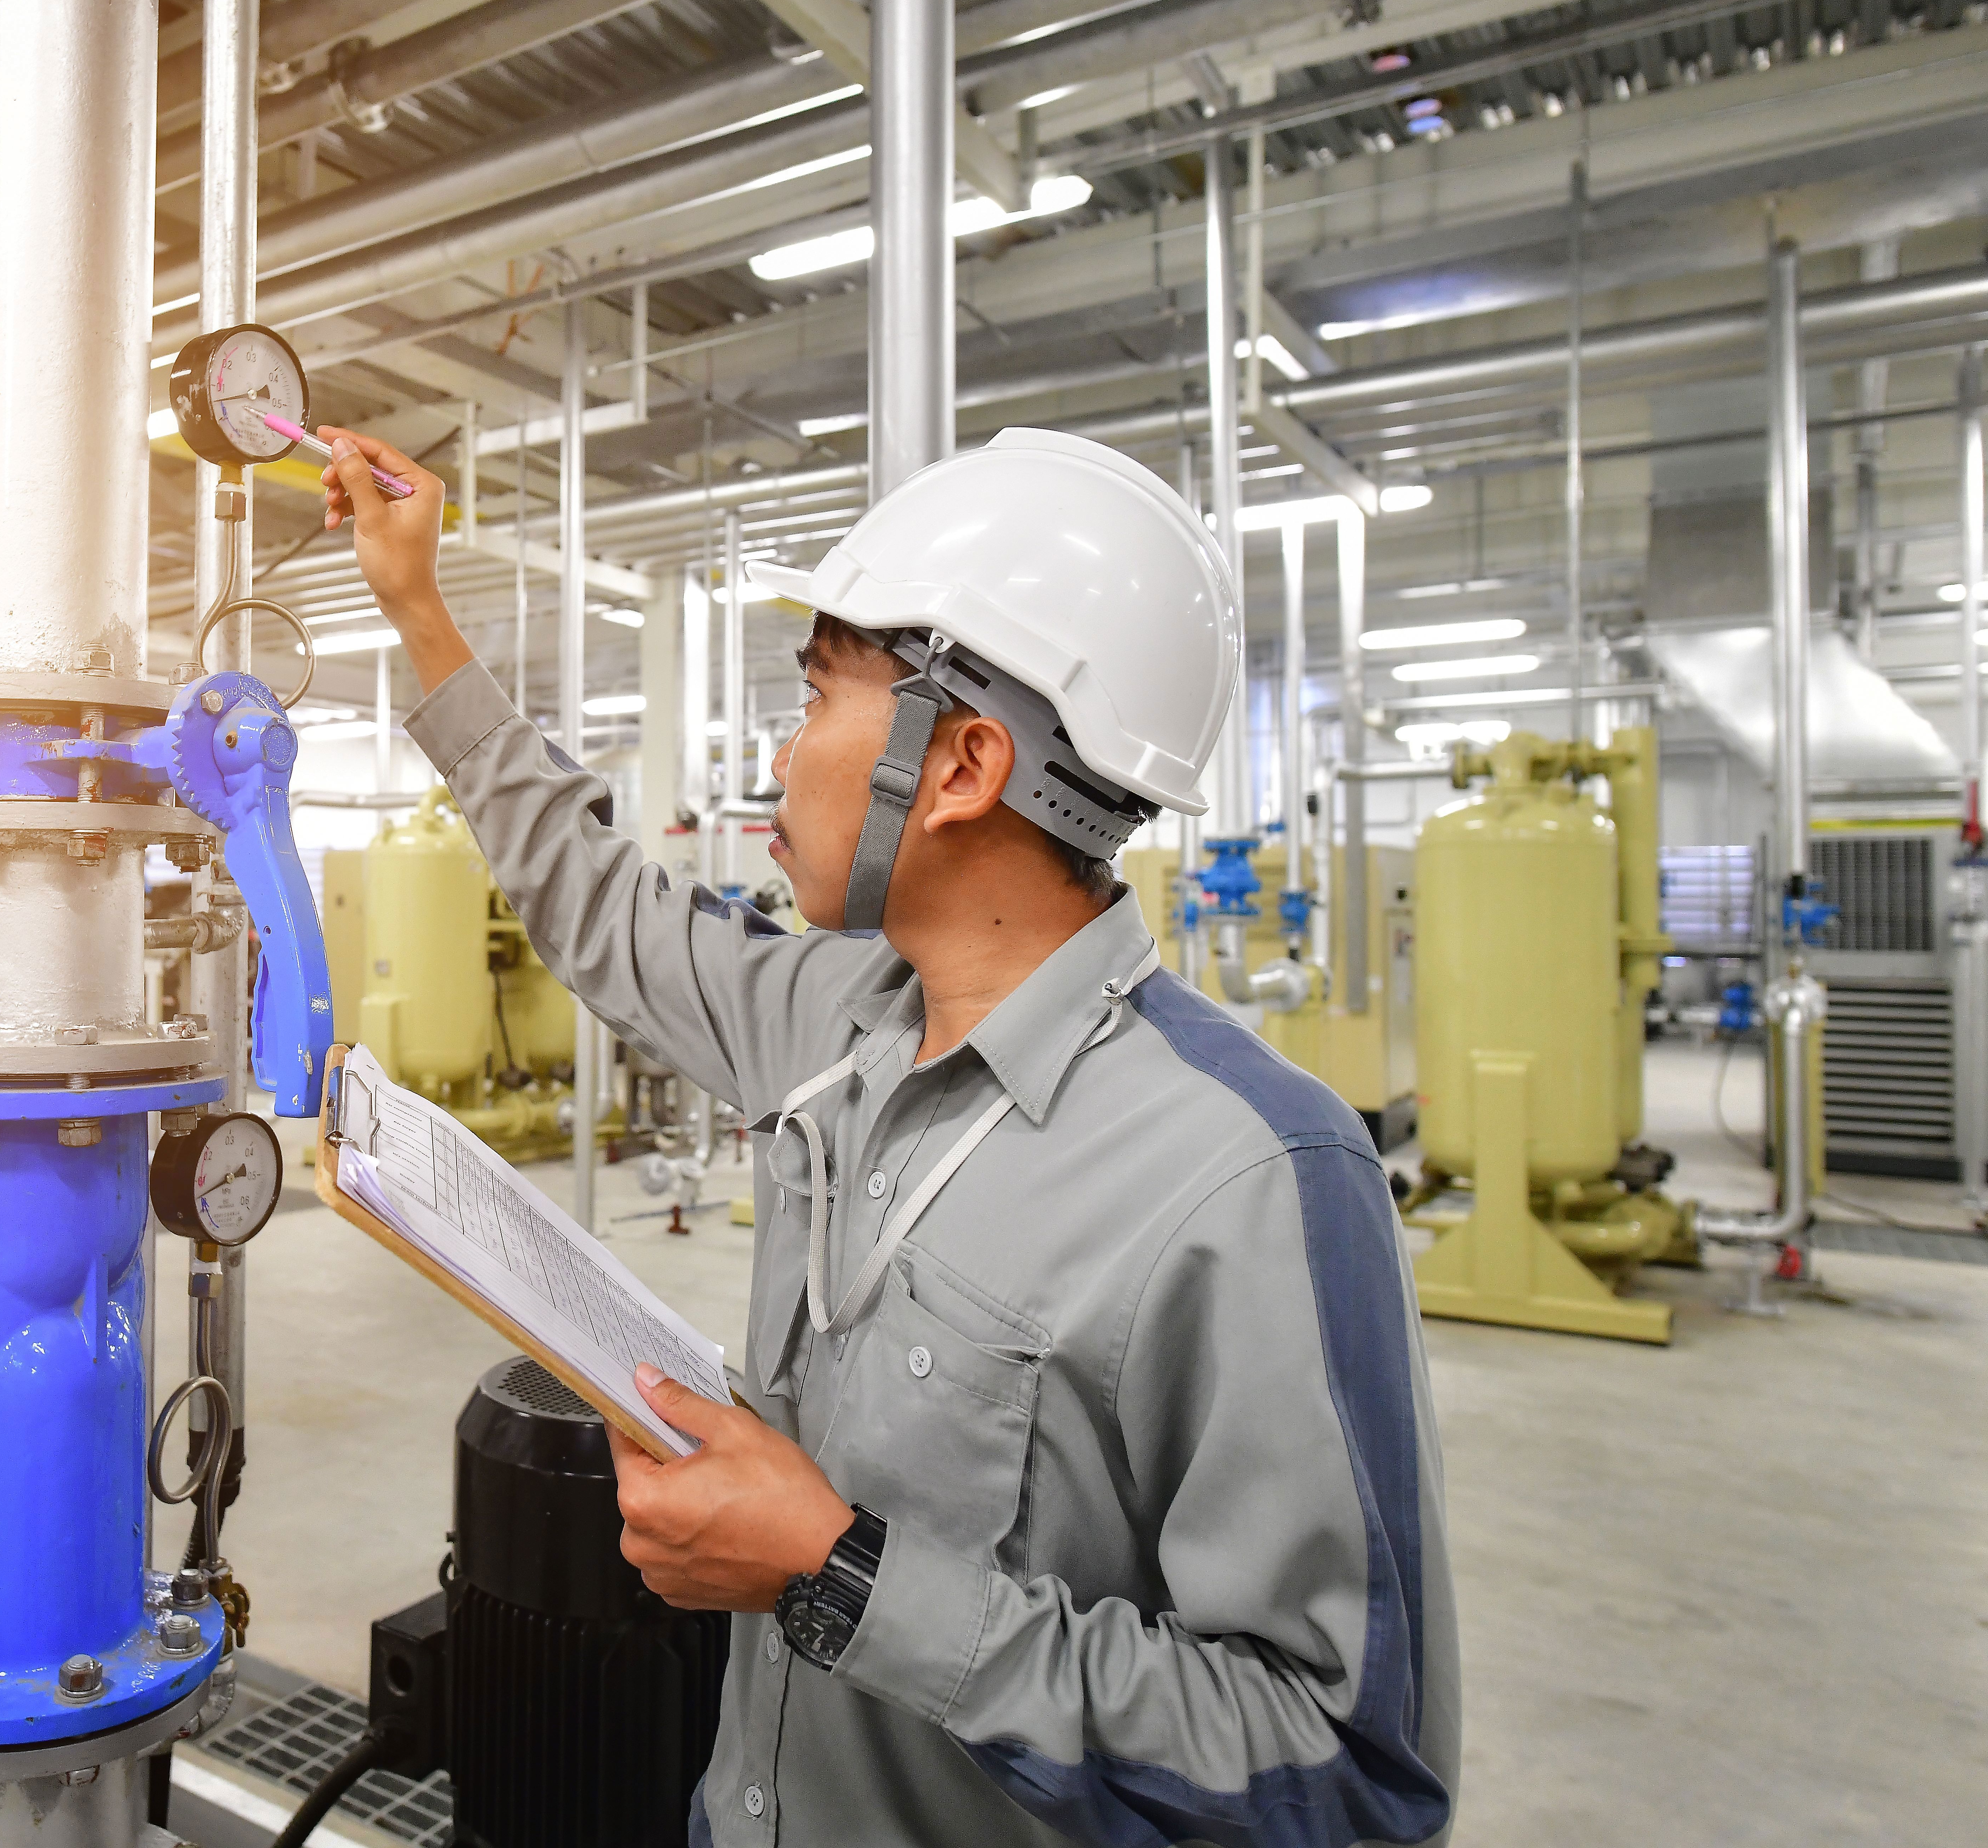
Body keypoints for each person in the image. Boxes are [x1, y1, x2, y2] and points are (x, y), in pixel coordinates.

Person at [318, 422, 1457, 1848]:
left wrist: (839, 1571)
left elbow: (1342, 1773)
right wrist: (418, 606)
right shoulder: (832, 1016)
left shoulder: (1252, 1177)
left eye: (814, 699)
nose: (777, 759)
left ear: (965, 763)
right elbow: (601, 904)